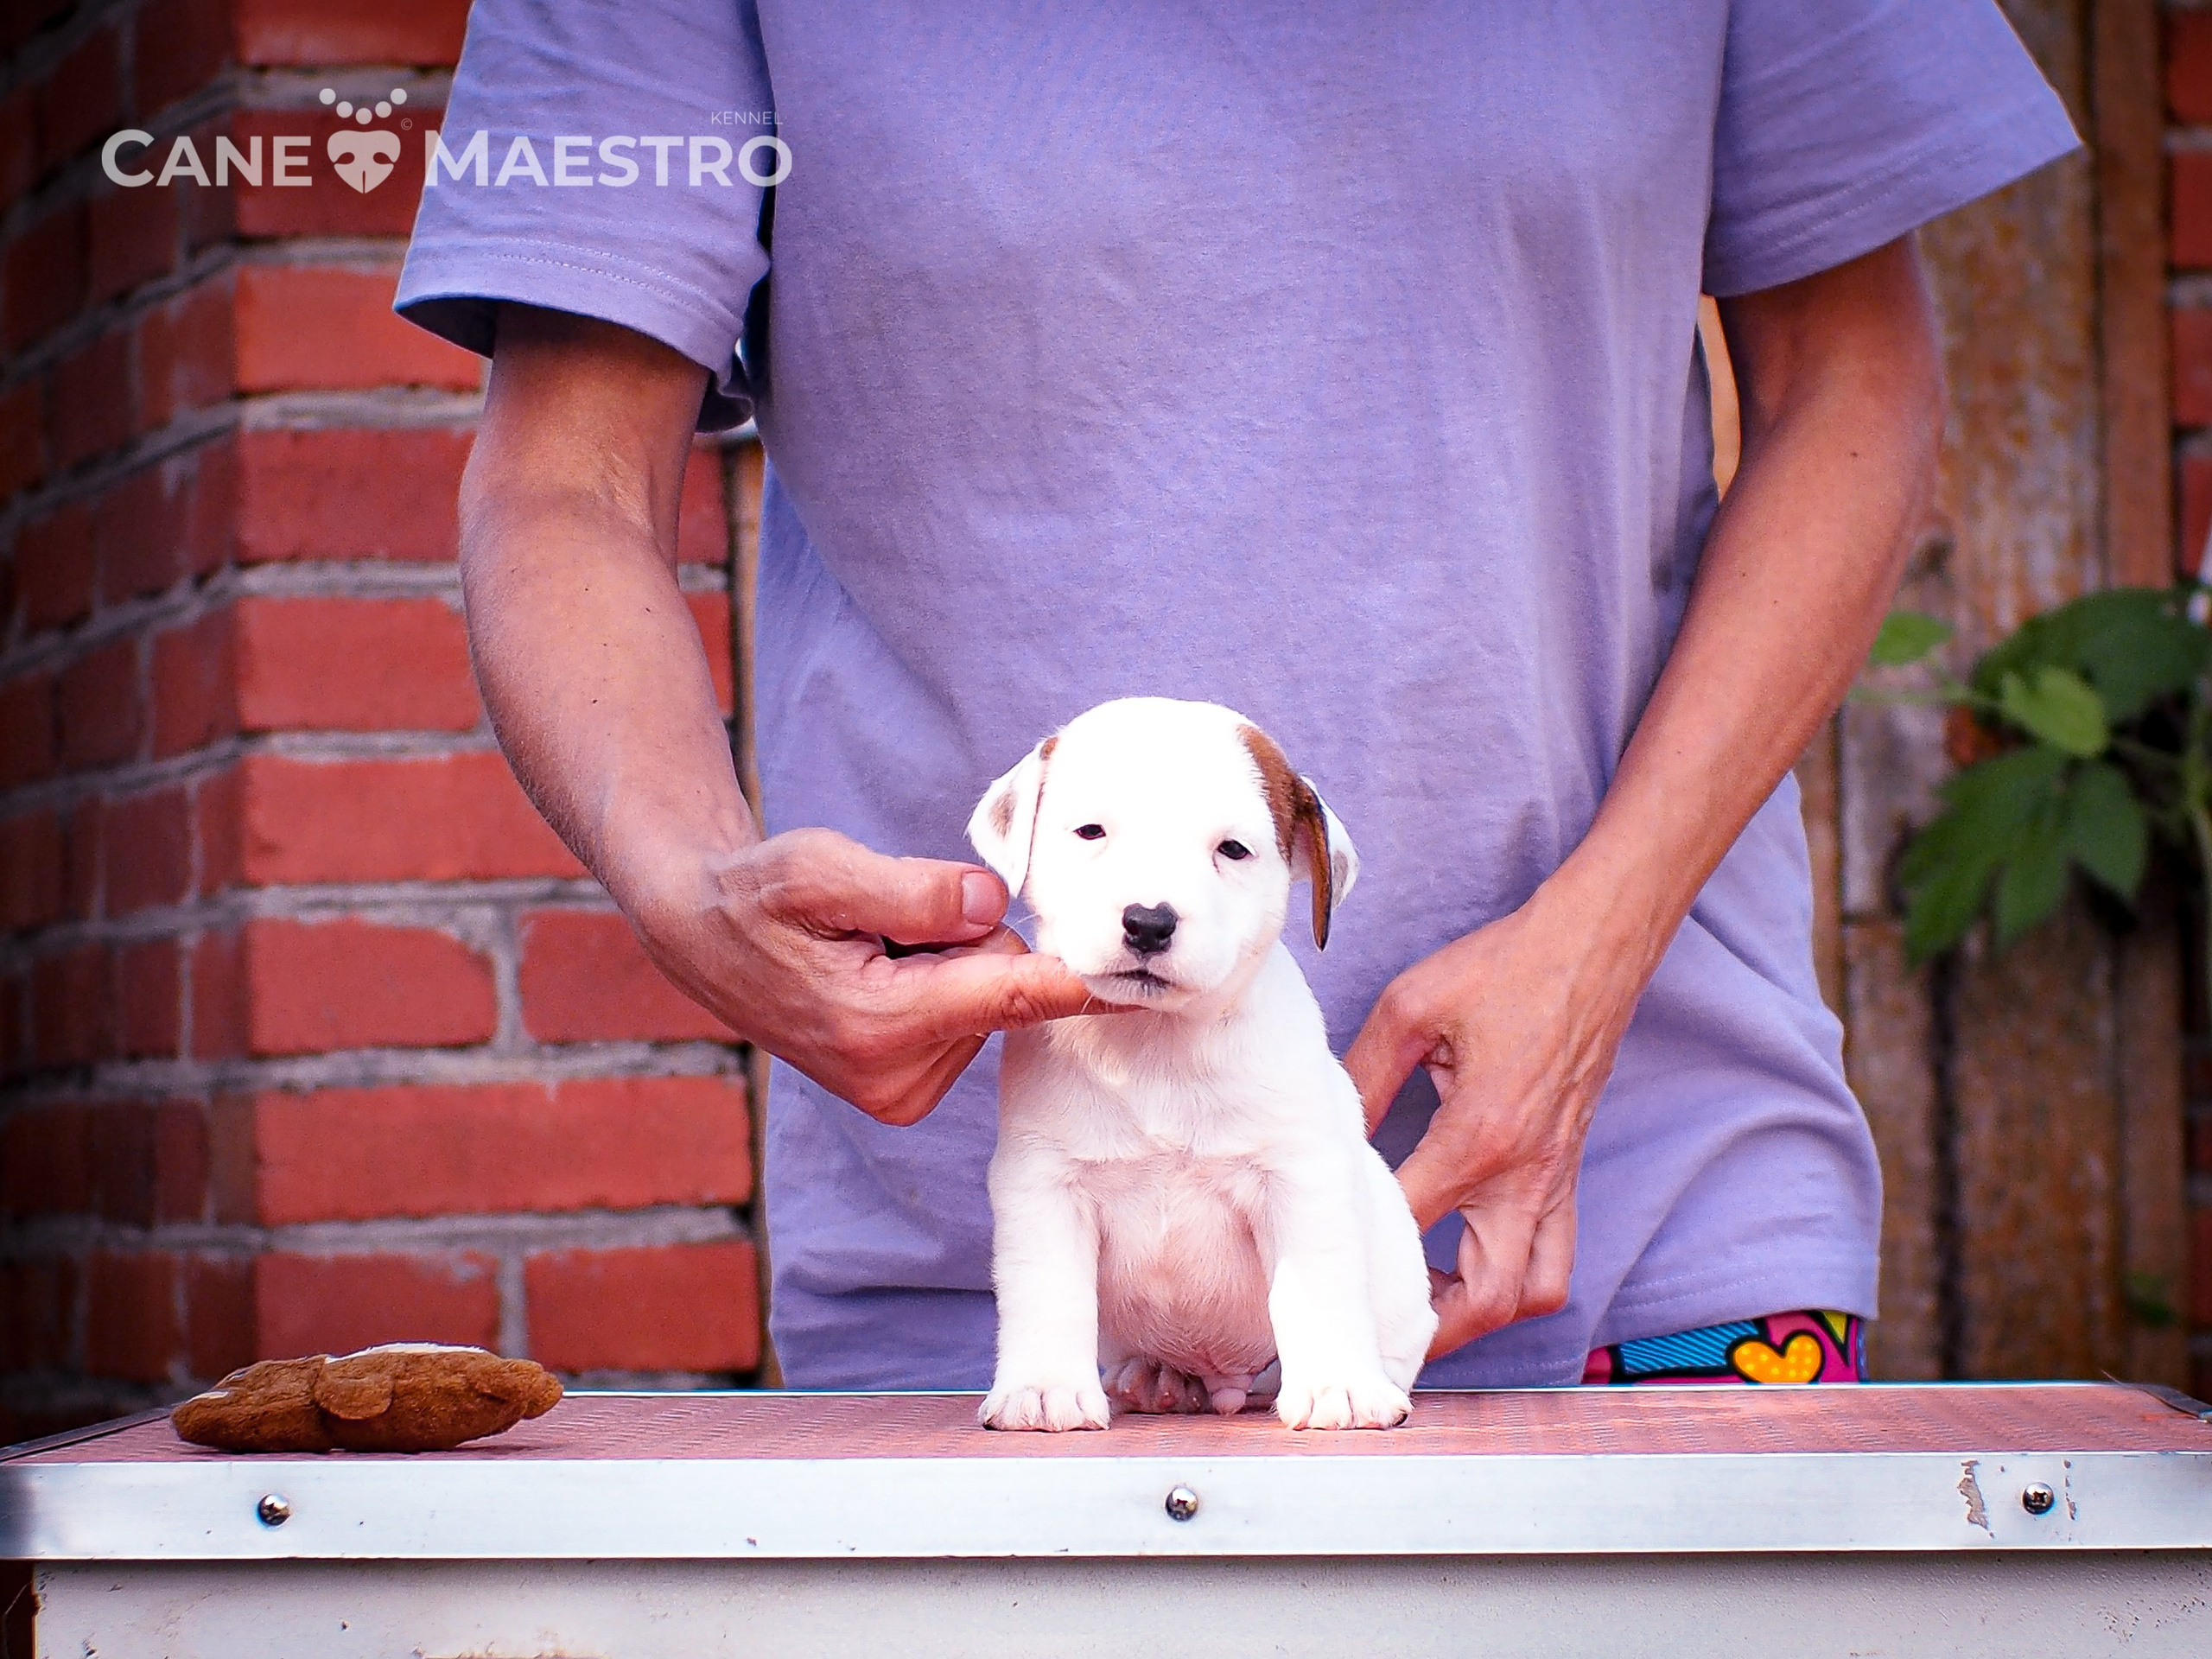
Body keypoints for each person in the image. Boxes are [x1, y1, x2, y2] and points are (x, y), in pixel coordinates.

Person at [397, 1, 2076, 1389]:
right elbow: (567, 479)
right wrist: (690, 885)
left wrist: (1596, 949)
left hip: (1615, 1198)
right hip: (1019, 1265)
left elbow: (1846, 378)